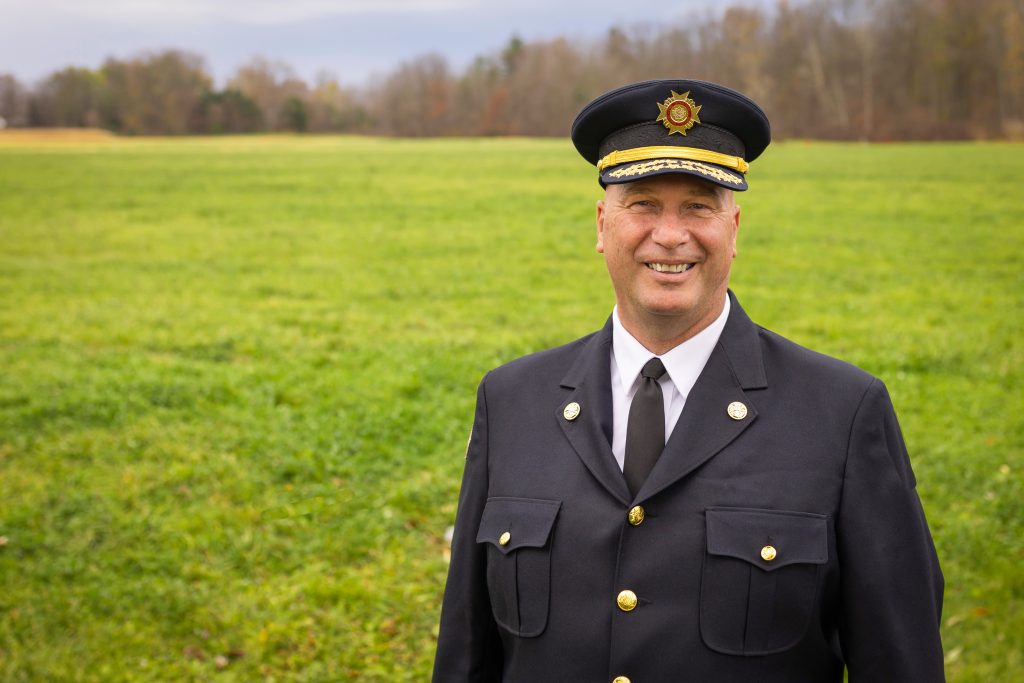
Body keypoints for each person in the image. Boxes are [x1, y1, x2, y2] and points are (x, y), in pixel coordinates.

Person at [432, 79, 945, 682]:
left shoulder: (842, 412)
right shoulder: (512, 401)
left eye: (699, 206)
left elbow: (900, 658)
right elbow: (467, 652)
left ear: (734, 228)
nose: (670, 235)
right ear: (602, 224)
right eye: (643, 203)